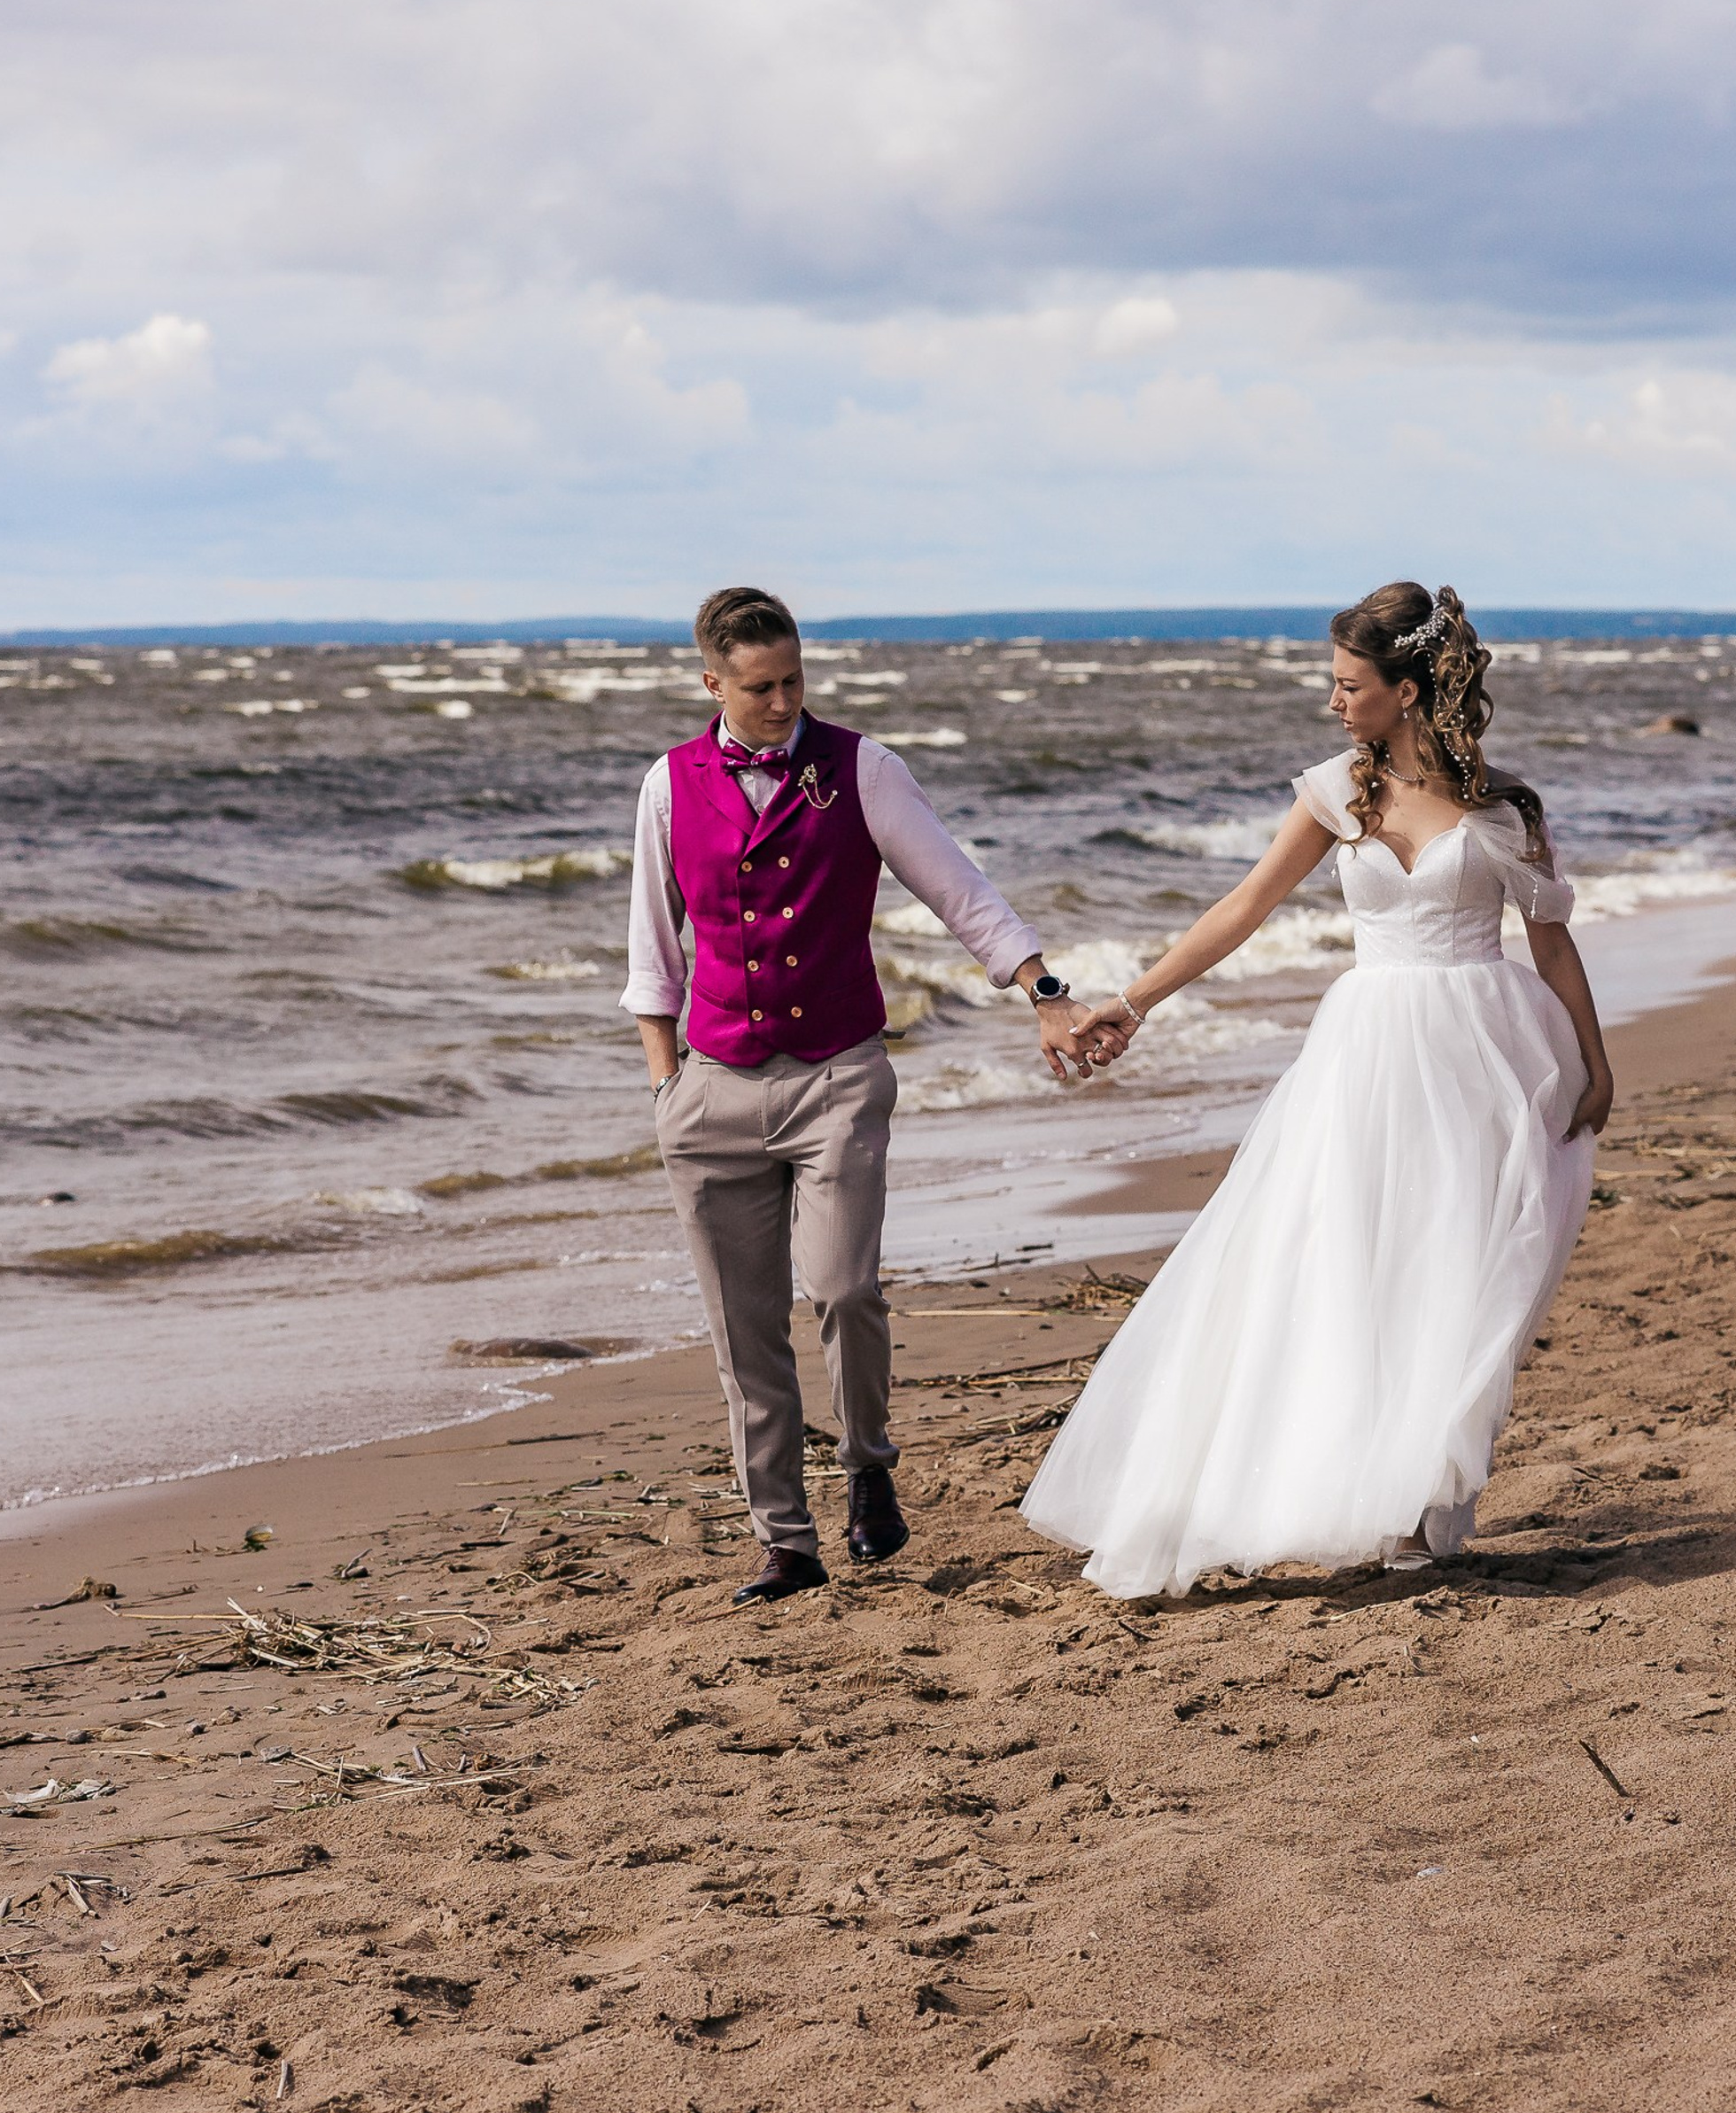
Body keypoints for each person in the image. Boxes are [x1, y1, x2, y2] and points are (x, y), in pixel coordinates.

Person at [1021, 582, 1613, 1599]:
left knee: (1457, 1265)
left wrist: (1595, 1063)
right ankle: (1361, 1487)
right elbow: (1244, 907)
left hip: (1485, 1051)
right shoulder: (1339, 792)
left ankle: (1426, 1503)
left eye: (1348, 684)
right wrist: (1135, 998)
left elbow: (1550, 944)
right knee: (1350, 1257)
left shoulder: (1504, 808)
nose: (1331, 700)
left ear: (1411, 689)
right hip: (1368, 1054)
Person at [624, 587, 1101, 1604]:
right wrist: (665, 1084)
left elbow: (960, 893)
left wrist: (1042, 990)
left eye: (795, 679)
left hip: (837, 1074)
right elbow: (652, 952)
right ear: (711, 683)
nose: (783, 701)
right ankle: (785, 1541)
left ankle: (868, 1462)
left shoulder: (863, 768)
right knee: (741, 1328)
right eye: (760, 688)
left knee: (843, 1289)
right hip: (709, 1091)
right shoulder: (668, 784)